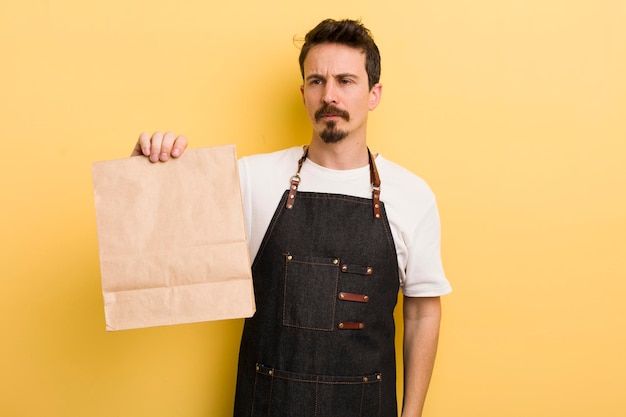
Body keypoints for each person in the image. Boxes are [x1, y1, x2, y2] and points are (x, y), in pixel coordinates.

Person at [132, 18, 451, 417]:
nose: (329, 95)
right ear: (303, 94)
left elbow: (423, 311)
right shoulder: (251, 178)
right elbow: (160, 254)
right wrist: (145, 176)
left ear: (373, 94)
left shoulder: (411, 195)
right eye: (317, 81)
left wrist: (413, 414)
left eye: (346, 81)